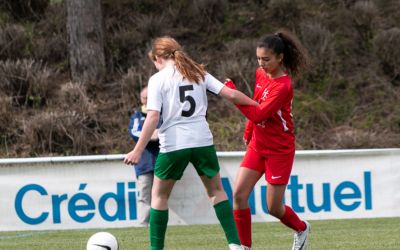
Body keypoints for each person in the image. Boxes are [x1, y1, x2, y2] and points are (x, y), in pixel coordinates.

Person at [124, 36, 258, 250]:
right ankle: (234, 245)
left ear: (158, 58)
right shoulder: (197, 72)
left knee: (159, 196)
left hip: (174, 145)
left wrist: (137, 150)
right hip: (202, 141)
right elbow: (231, 94)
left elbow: (152, 117)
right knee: (217, 191)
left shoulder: (158, 79)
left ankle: (156, 249)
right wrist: (258, 106)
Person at [225, 30, 310, 250]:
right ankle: (244, 247)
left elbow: (259, 113)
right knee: (239, 194)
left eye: (266, 59)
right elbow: (254, 102)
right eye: (258, 59)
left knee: (273, 207)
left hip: (279, 150)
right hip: (258, 145)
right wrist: (248, 132)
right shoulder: (260, 74)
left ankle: (301, 228)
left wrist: (233, 94)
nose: (261, 64)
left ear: (280, 58)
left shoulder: (284, 86)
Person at [128, 86, 161, 227]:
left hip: (163, 163)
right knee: (144, 197)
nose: (147, 100)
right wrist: (153, 135)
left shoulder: (163, 113)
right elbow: (135, 133)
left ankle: (160, 225)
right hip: (144, 165)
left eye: (150, 97)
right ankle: (143, 226)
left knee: (161, 196)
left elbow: (167, 132)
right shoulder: (136, 116)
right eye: (145, 98)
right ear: (141, 99)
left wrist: (150, 135)